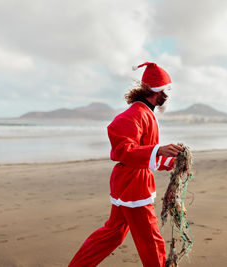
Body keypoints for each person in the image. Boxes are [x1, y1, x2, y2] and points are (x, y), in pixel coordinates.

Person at [68, 62, 183, 267]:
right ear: (158, 92)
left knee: (113, 234)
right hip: (134, 186)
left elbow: (145, 152)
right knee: (151, 240)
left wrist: (173, 160)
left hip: (129, 182)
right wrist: (158, 150)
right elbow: (124, 150)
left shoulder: (146, 113)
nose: (167, 95)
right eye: (166, 90)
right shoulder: (135, 114)